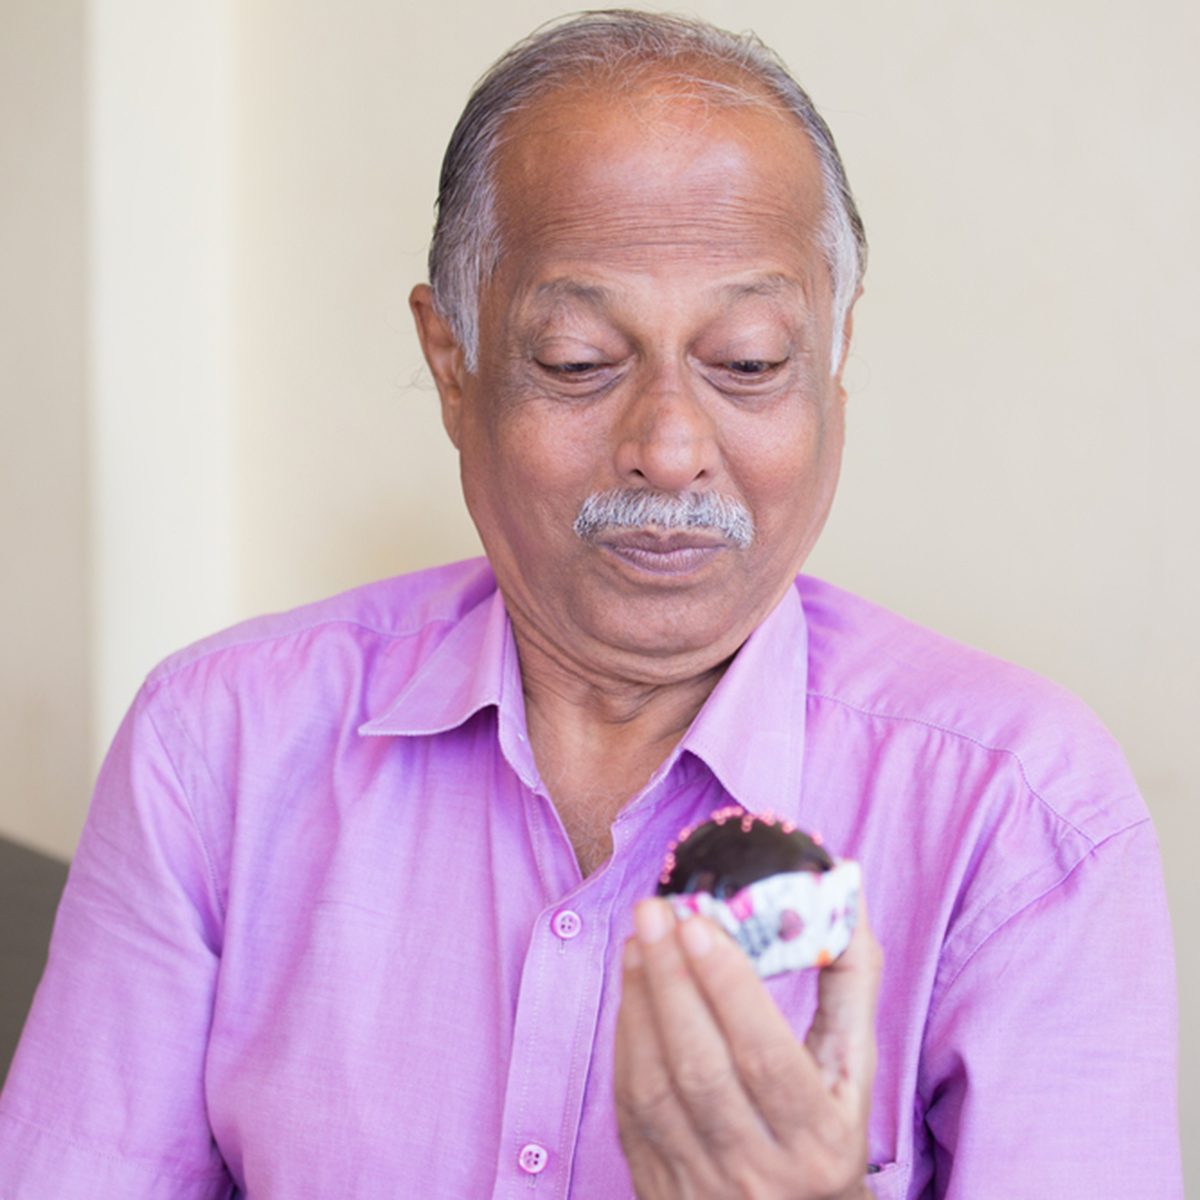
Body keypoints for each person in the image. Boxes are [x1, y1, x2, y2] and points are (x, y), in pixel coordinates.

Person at [0, 10, 1182, 1199]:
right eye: (576, 361)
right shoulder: (218, 749)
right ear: (452, 359)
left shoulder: (1021, 817)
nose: (670, 448)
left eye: (751, 361)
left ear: (834, 354)